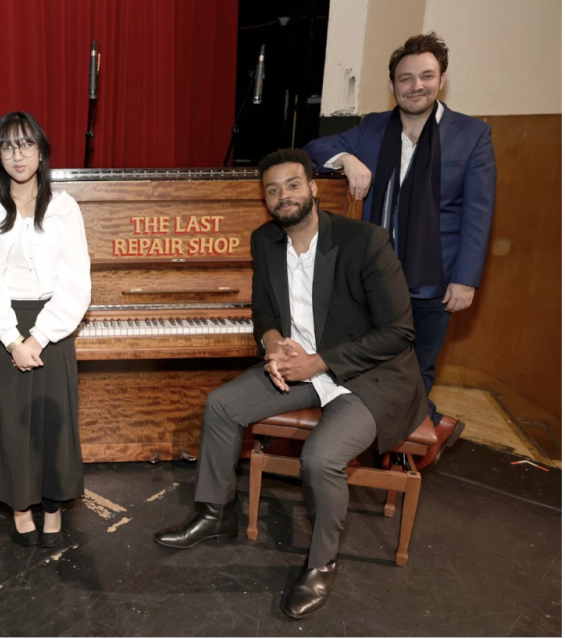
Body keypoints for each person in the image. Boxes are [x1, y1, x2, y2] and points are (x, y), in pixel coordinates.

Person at [153, 149, 427, 619]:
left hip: (369, 376)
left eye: (293, 185)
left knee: (320, 459)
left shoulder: (366, 241)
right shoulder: (265, 240)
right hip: (300, 366)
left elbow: (398, 332)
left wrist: (319, 362)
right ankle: (216, 515)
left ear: (314, 188)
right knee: (221, 405)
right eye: (273, 190)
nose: (284, 196)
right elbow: (264, 307)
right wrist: (274, 342)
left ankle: (321, 564)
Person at [303, 32, 496, 470]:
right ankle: (411, 432)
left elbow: (478, 212)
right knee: (367, 364)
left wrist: (466, 278)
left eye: (426, 76)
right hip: (370, 278)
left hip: (435, 273)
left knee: (419, 366)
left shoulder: (472, 133)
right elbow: (315, 149)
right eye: (405, 78)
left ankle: (406, 448)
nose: (416, 86)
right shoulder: (373, 127)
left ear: (440, 80)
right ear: (392, 85)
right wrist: (345, 160)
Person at [0, 112, 91, 547]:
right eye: (7, 146)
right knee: (11, 425)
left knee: (54, 423)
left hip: (53, 326)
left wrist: (39, 336)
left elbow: (77, 280)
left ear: (41, 152)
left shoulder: (64, 207)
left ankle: (53, 504)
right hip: (1, 326)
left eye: (25, 145)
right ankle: (21, 504)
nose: (17, 154)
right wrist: (12, 338)